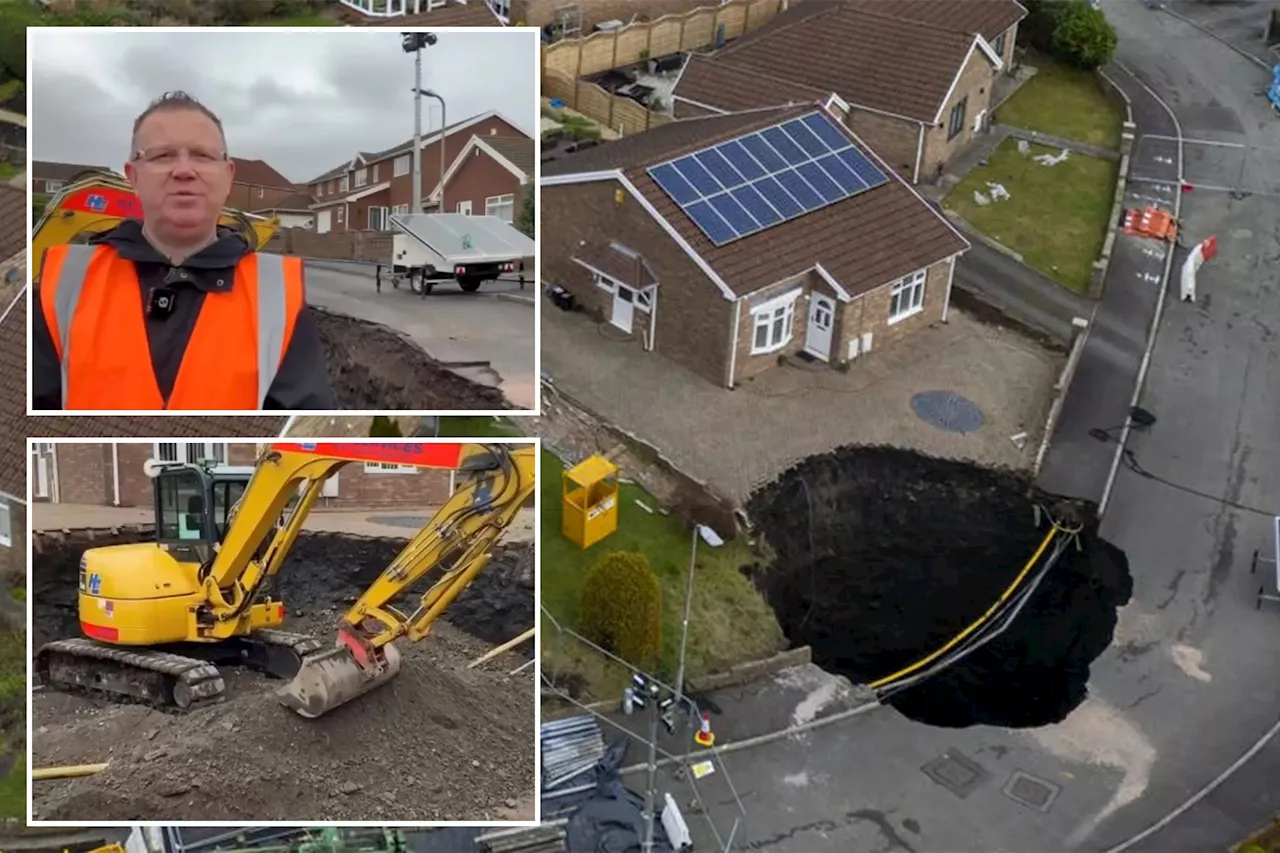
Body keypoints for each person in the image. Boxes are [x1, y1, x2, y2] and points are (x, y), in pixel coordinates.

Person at [31, 91, 333, 410]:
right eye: (163, 156)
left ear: (228, 176)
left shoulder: (277, 295)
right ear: (132, 176)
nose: (184, 170)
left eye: (202, 155)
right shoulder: (64, 284)